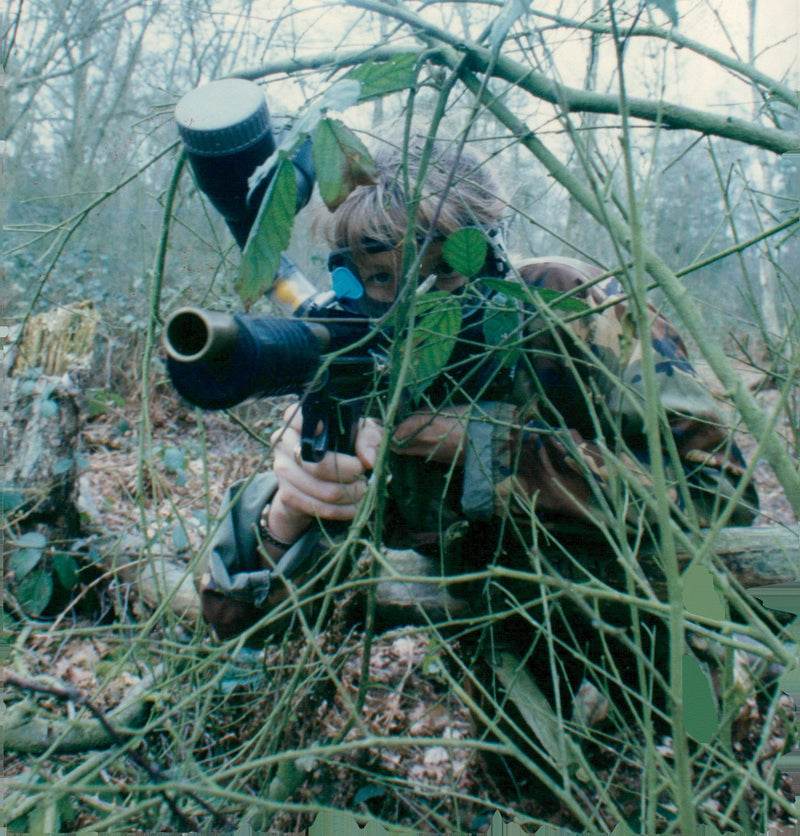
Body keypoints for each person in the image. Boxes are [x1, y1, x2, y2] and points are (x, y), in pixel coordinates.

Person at [198, 138, 758, 708]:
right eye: (379, 280)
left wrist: (489, 447)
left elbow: (723, 498)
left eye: (438, 273)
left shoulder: (579, 308)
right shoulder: (360, 354)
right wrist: (291, 510)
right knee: (521, 771)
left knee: (693, 718)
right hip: (501, 633)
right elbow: (239, 623)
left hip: (647, 613)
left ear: (488, 255)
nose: (409, 311)